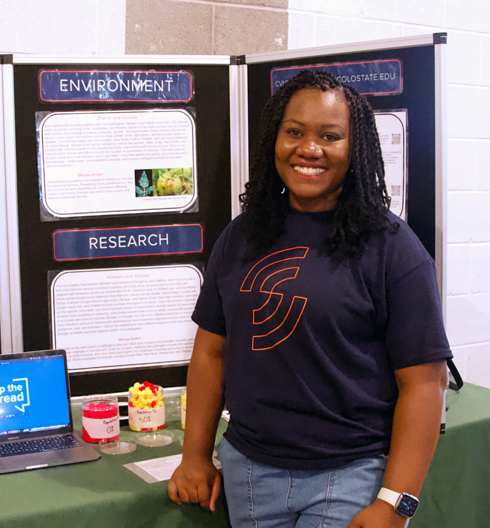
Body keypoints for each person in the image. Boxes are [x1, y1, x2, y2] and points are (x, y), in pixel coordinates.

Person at [167, 70, 451, 528]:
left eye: (330, 136)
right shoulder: (242, 235)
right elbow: (211, 353)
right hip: (249, 471)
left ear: (355, 149)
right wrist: (195, 456)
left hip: (351, 474)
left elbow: (425, 383)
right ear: (274, 141)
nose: (309, 149)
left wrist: (396, 503)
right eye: (295, 132)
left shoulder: (392, 247)